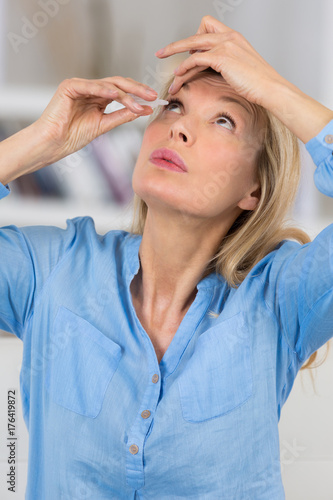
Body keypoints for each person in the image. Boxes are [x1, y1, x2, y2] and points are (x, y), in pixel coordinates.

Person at [1, 14, 332, 500]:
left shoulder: (280, 300)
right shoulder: (52, 270)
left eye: (224, 120)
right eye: (173, 106)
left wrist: (273, 88)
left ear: (254, 190)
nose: (178, 129)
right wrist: (37, 143)